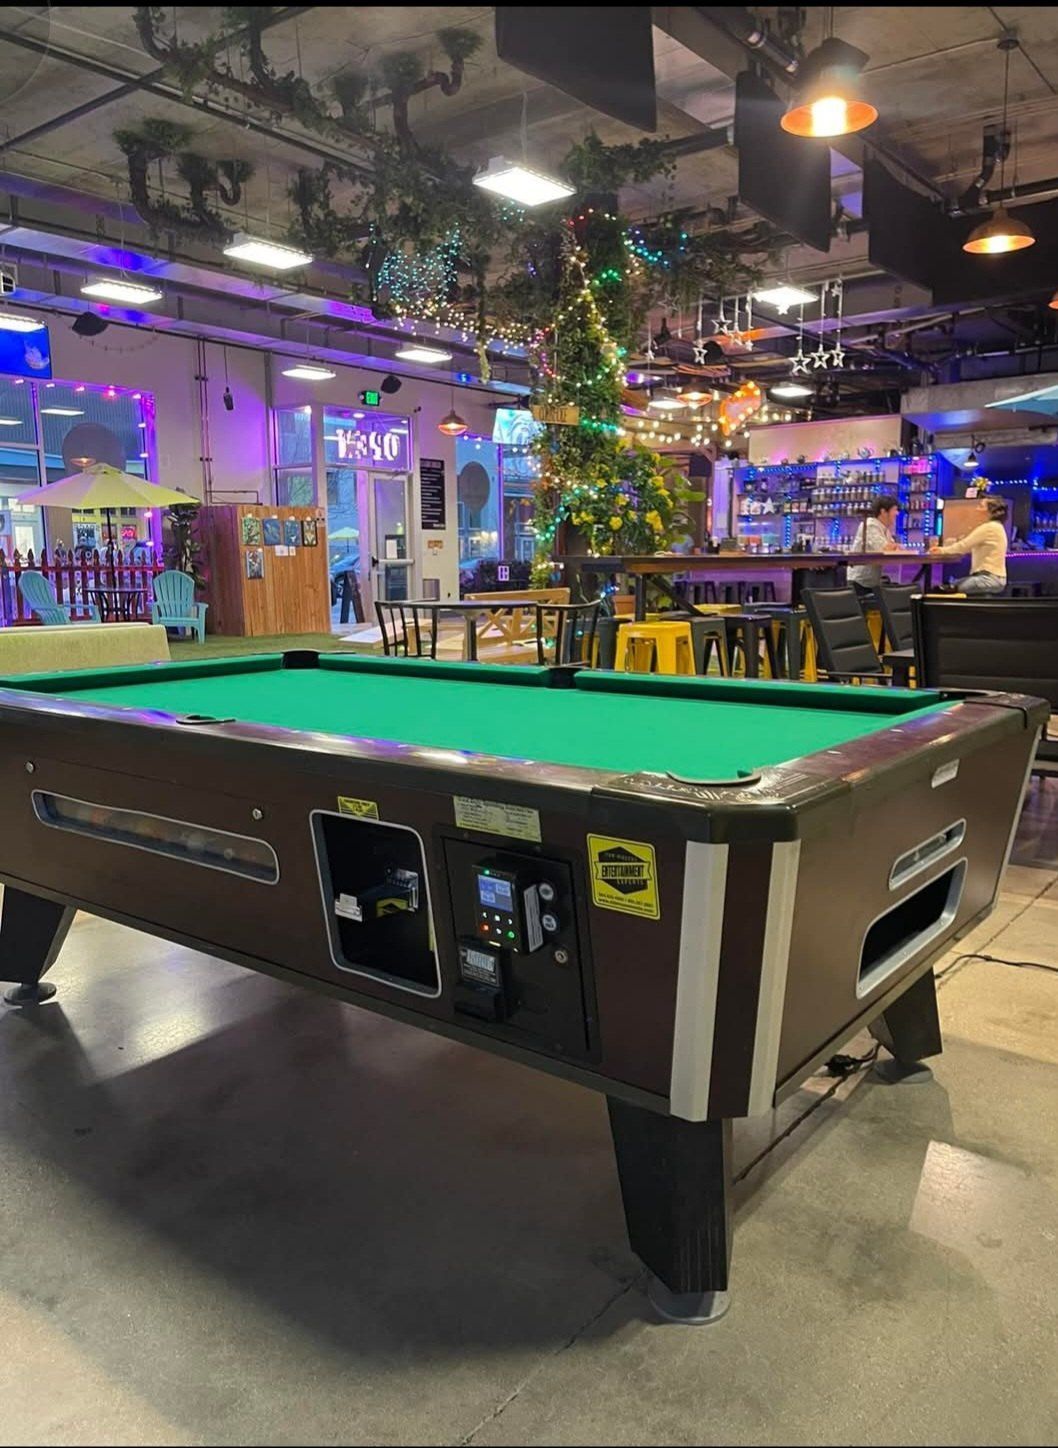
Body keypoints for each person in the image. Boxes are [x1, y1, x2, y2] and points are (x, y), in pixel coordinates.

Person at [930, 496, 1008, 595]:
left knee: (945, 589)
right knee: (951, 585)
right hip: (994, 578)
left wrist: (941, 550)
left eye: (981, 506)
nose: (977, 509)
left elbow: (963, 546)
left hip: (988, 578)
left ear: (990, 511)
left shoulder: (989, 528)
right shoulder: (997, 526)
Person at [847, 493, 901, 599]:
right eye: (894, 510)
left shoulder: (884, 529)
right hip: (860, 581)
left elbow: (894, 548)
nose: (897, 513)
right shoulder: (870, 525)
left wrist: (894, 547)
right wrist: (893, 547)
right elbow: (884, 549)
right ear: (883, 512)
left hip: (872, 581)